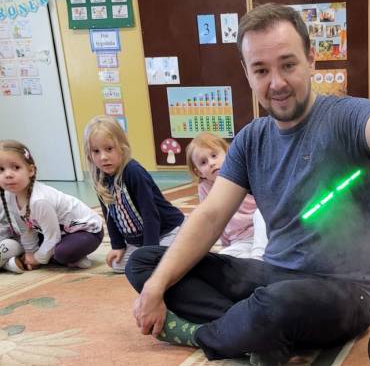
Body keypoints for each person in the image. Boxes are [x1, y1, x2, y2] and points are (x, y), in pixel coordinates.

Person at [127, 2, 370, 366]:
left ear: (311, 60)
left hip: (344, 292)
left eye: (288, 65)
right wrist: (156, 287)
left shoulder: (346, 116)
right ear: (247, 73)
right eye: (261, 70)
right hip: (273, 276)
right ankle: (257, 333)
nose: (277, 83)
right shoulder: (251, 140)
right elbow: (211, 215)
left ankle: (208, 333)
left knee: (274, 306)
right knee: (145, 264)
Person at [83, 116, 184, 273]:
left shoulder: (133, 171)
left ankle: (187, 246)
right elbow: (109, 215)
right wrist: (118, 246)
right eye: (96, 151)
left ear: (122, 147)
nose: (103, 157)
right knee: (118, 265)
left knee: (159, 265)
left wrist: (149, 252)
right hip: (139, 240)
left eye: (109, 149)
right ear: (89, 155)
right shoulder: (99, 177)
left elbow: (150, 215)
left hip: (167, 230)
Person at [0, 139, 103, 270]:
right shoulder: (9, 195)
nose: (8, 174)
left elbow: (52, 237)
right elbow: (25, 229)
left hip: (86, 231)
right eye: (1, 169)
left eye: (16, 167)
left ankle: (70, 257)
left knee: (63, 253)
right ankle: (65, 258)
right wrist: (30, 253)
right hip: (58, 231)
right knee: (27, 242)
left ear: (30, 170)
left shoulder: (39, 201)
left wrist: (37, 259)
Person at [184, 132, 268, 259]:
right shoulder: (204, 188)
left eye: (214, 155)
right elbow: (212, 219)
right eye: (203, 162)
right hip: (239, 240)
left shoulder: (242, 171)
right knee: (223, 258)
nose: (211, 163)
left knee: (260, 213)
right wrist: (225, 245)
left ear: (228, 153)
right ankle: (253, 259)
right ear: (199, 172)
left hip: (262, 232)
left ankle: (258, 258)